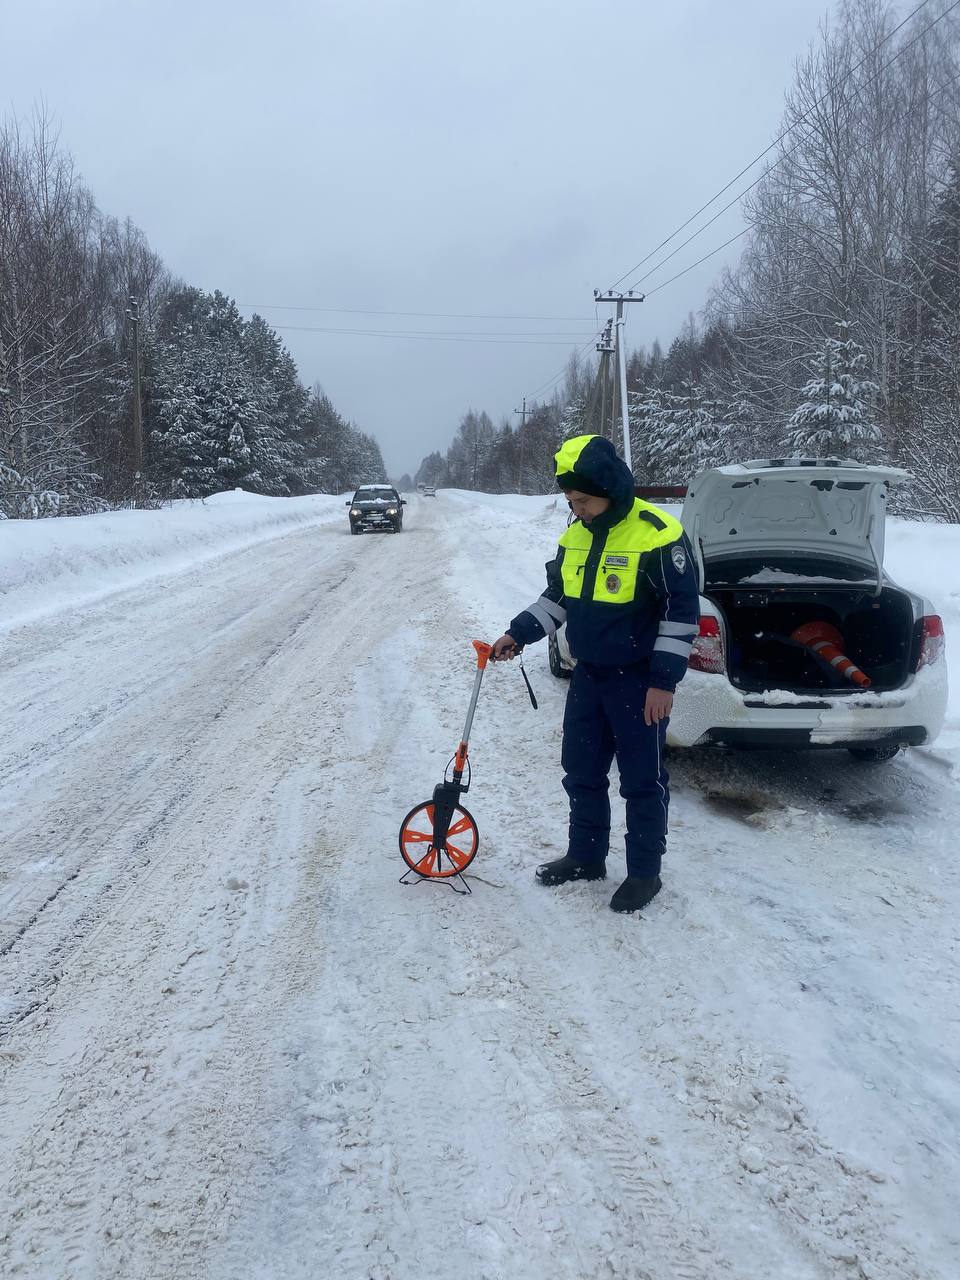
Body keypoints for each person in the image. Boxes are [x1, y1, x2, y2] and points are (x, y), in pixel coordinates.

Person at [492, 433, 700, 913]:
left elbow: (681, 613)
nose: (577, 510)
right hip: (588, 677)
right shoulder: (575, 536)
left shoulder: (657, 533)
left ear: (609, 489)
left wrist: (663, 682)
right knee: (582, 771)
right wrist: (517, 634)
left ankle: (644, 872)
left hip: (639, 681)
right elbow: (558, 598)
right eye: (571, 501)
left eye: (582, 500)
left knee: (642, 780)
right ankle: (586, 857)